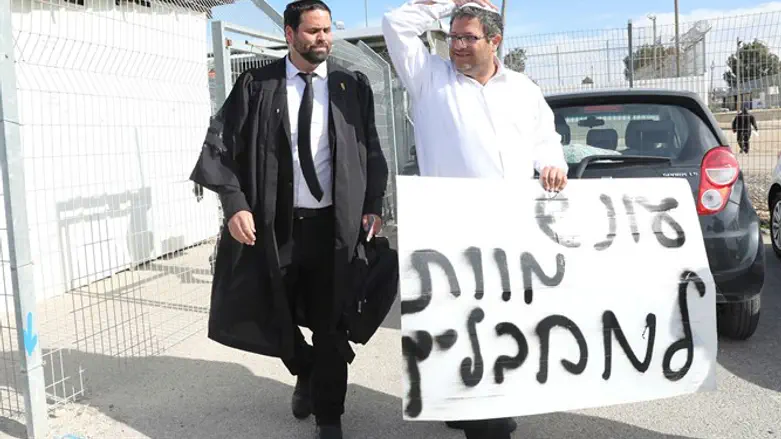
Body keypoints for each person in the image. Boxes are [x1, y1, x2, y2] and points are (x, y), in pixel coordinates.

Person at [189, 1, 389, 437]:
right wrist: (234, 204)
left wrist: (374, 202)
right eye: (313, 31)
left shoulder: (349, 86)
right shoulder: (255, 85)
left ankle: (329, 414)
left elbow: (371, 149)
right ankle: (306, 370)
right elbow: (221, 148)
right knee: (273, 310)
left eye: (327, 30)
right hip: (277, 226)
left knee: (332, 319)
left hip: (334, 227)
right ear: (290, 34)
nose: (324, 39)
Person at [382, 1, 568, 438]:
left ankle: (484, 403)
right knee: (462, 325)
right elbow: (394, 23)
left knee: (503, 322)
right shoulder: (429, 79)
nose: (458, 47)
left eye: (469, 38)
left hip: (513, 233)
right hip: (451, 235)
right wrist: (451, 2)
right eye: (453, 37)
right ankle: (483, 415)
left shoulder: (522, 89)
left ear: (494, 41)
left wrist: (552, 164)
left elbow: (547, 139)